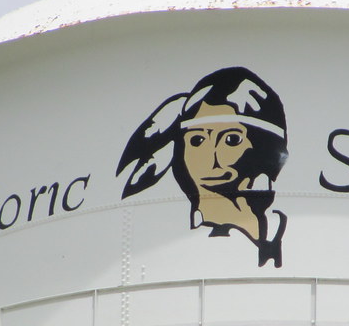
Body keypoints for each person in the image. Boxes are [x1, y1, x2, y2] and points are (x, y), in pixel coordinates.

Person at [117, 66, 288, 267]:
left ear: (266, 149)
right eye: (197, 140)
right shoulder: (160, 246)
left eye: (231, 140)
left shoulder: (279, 227)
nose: (211, 158)